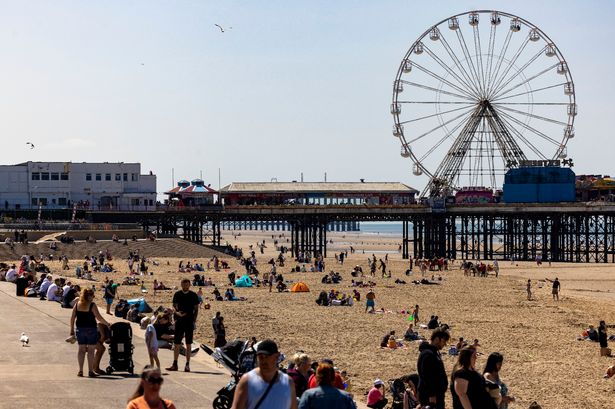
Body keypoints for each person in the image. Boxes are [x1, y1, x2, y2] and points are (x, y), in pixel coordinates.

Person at [231, 339, 297, 409]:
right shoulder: (247, 381)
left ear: (277, 356)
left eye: (267, 356)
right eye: (260, 357)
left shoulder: (288, 382)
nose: (263, 361)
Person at [69, 287, 111, 377]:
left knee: (81, 350)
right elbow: (99, 317)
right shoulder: (92, 305)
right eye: (93, 295)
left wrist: (72, 330)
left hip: (80, 329)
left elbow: (72, 318)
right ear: (89, 296)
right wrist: (107, 324)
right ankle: (90, 371)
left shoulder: (77, 305)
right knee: (91, 351)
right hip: (91, 330)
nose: (93, 297)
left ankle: (80, 371)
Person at [166, 278, 200, 372]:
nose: (185, 286)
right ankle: (175, 364)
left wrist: (194, 320)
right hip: (179, 320)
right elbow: (174, 305)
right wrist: (176, 313)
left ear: (189, 285)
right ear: (181, 285)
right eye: (183, 284)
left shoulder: (193, 295)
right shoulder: (177, 294)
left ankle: (187, 364)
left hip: (189, 321)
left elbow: (196, 309)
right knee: (176, 343)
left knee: (188, 343)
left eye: (187, 284)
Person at [417, 328, 450, 409]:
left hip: (437, 395)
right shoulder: (428, 354)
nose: (445, 344)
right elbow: (427, 376)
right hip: (431, 397)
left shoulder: (434, 353)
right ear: (437, 339)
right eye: (444, 341)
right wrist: (432, 395)